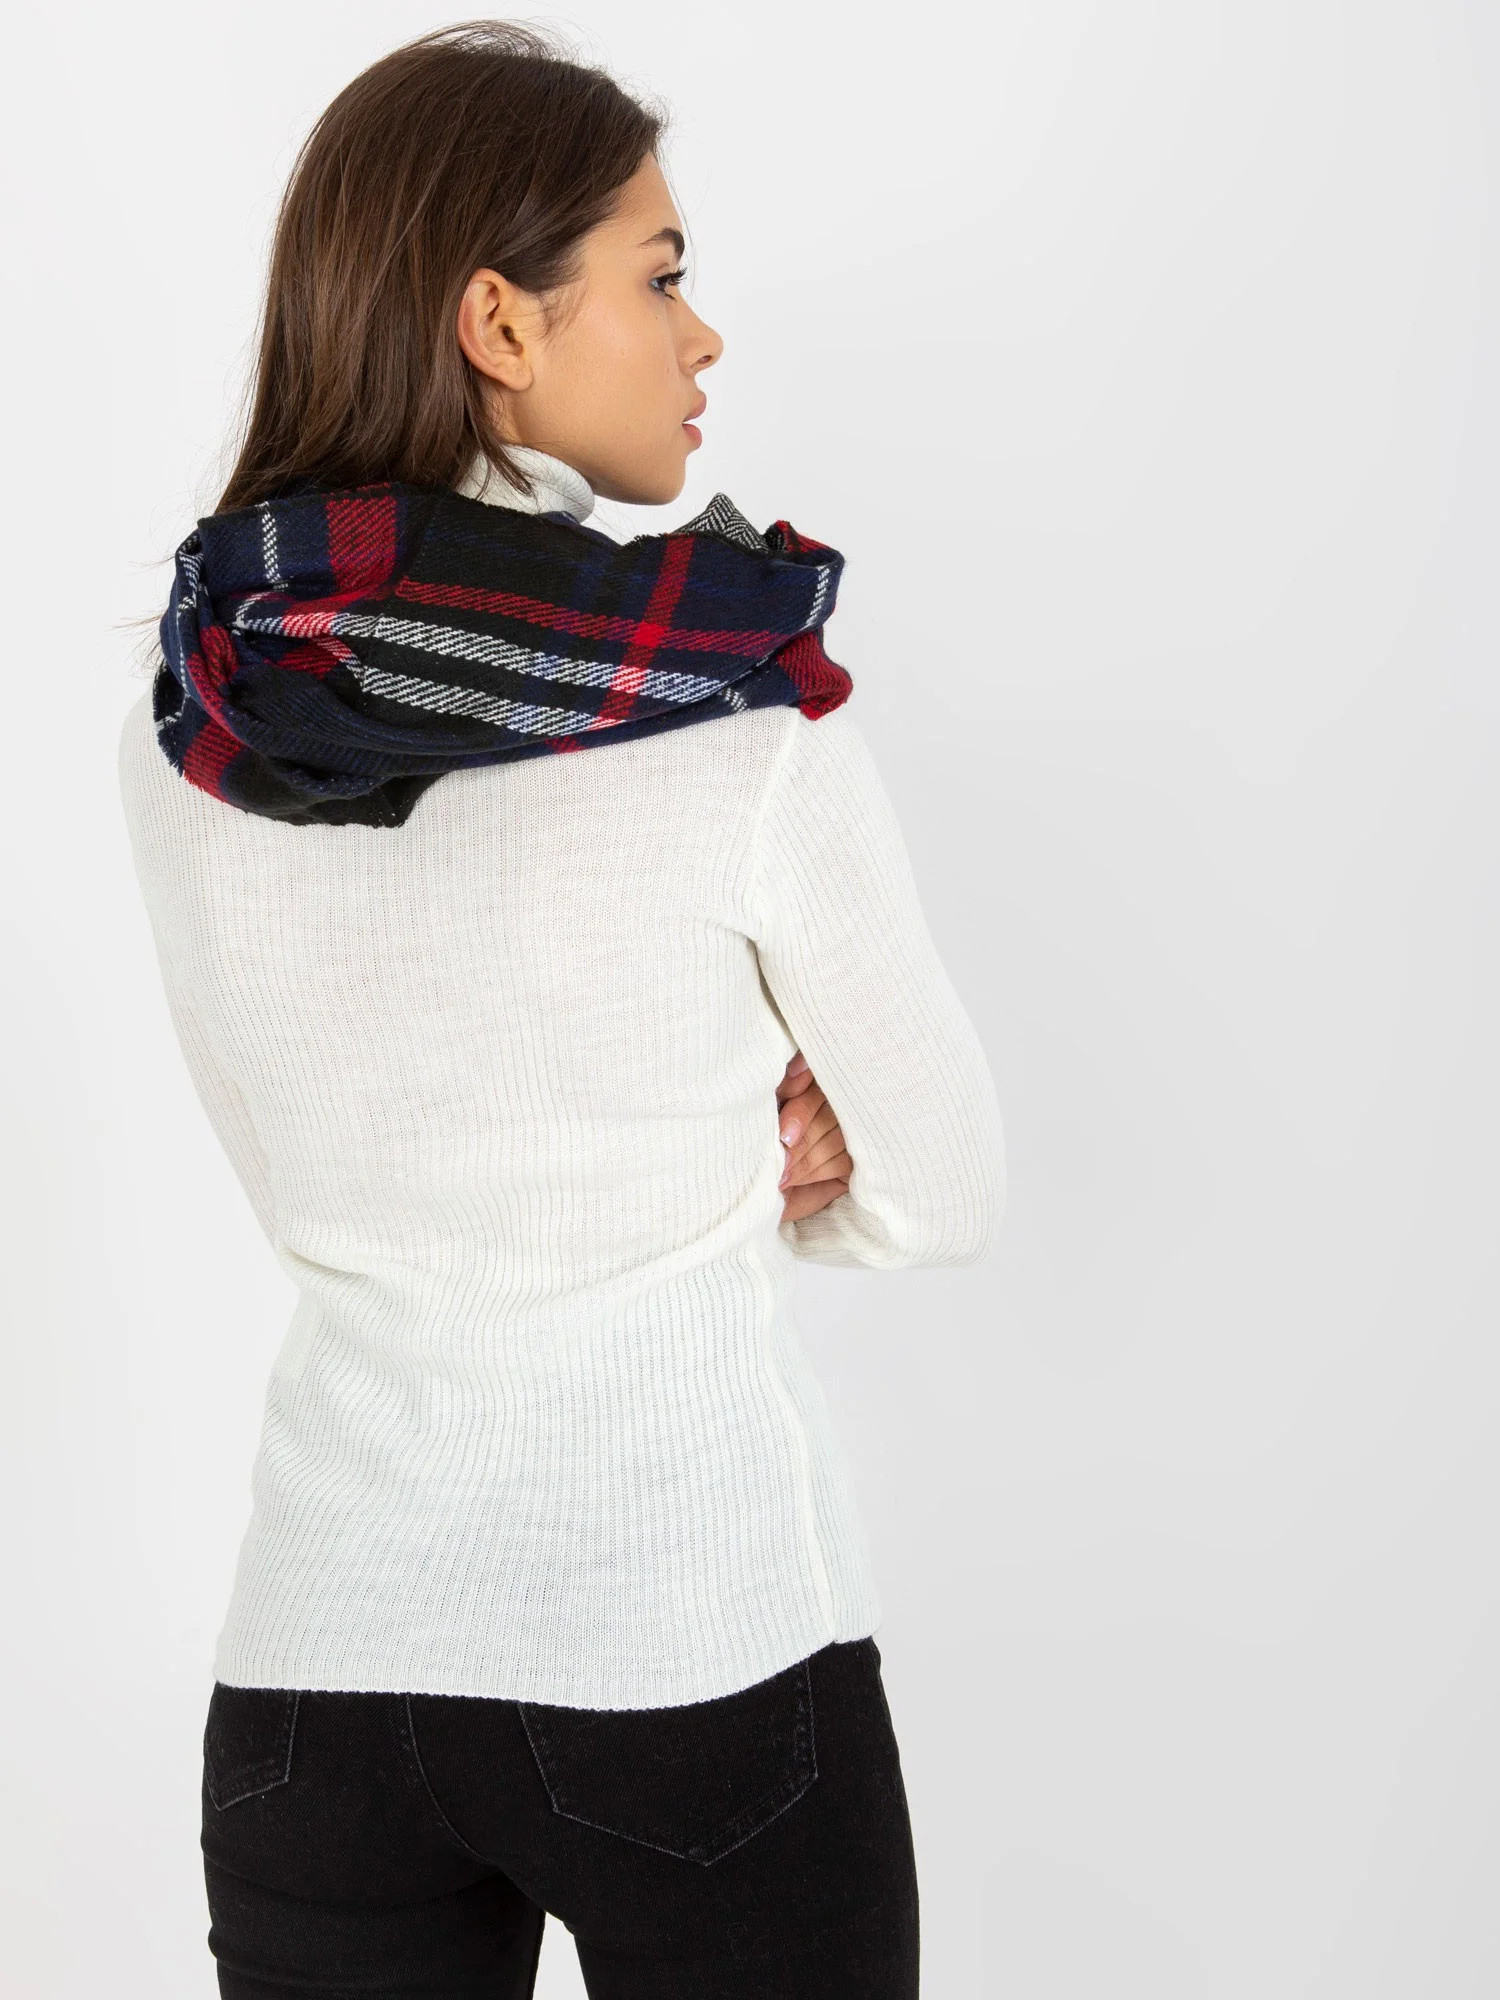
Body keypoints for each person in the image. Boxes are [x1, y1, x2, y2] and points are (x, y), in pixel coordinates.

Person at [116, 21, 1004, 1998]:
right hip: (693, 1655)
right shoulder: (739, 730)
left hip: (315, 1687)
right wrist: (782, 1168)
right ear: (500, 322)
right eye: (661, 275)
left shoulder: (188, 733)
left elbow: (326, 1151)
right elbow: (947, 1185)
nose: (704, 336)